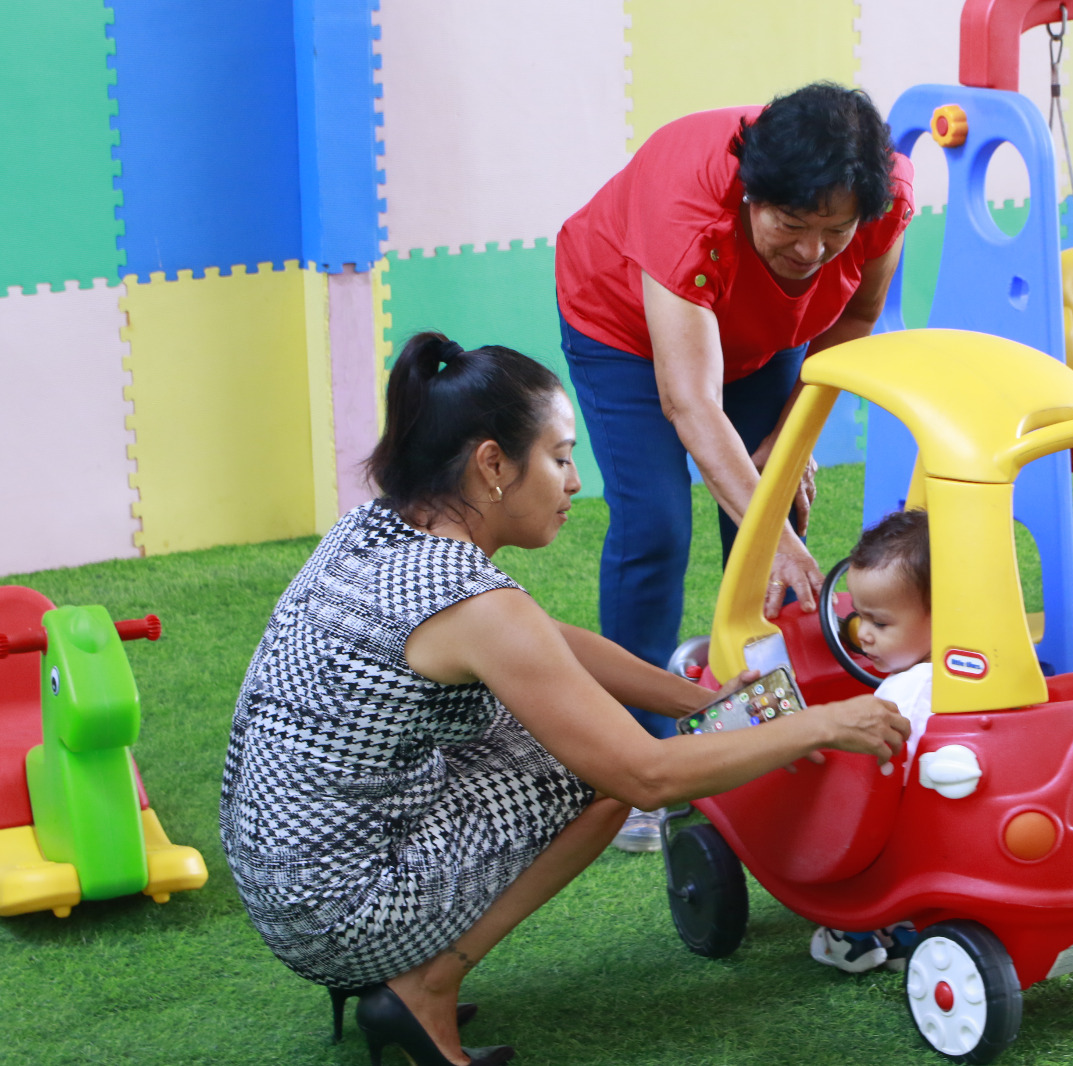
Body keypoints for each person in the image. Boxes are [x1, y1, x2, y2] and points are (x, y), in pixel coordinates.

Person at [218, 332, 910, 1066]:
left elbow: (549, 642)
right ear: (492, 465)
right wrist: (824, 724)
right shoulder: (471, 602)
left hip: (279, 869)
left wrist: (693, 699)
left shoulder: (378, 527)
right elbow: (645, 776)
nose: (576, 480)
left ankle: (406, 973)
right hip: (336, 908)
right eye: (559, 456)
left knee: (559, 730)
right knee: (599, 778)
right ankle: (424, 984)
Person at [554, 83, 915, 854]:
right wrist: (771, 526)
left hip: (768, 331)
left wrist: (793, 438)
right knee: (657, 524)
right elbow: (690, 404)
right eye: (792, 224)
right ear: (752, 194)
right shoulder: (687, 204)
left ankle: (757, 729)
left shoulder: (884, 197)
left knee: (765, 516)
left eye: (835, 231)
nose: (814, 250)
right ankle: (635, 763)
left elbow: (854, 317)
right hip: (626, 328)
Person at [809, 509, 933, 974]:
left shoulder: (902, 692)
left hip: (893, 842)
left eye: (879, 623)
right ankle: (905, 930)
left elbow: (872, 775)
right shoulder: (987, 672)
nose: (861, 633)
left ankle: (851, 933)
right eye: (858, 616)